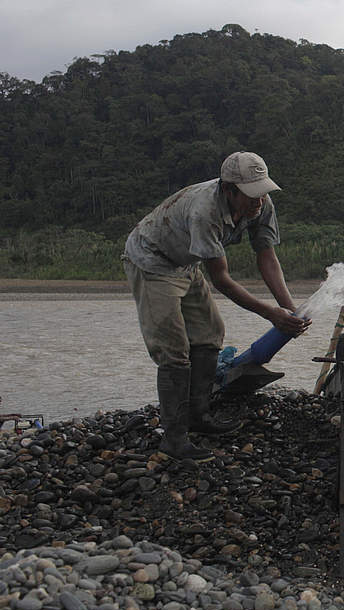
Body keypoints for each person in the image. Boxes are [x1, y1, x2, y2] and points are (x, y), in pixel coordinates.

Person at [123, 151, 310, 460]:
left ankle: (199, 416)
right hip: (153, 260)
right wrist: (272, 315)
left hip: (186, 262)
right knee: (174, 350)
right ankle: (174, 438)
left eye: (262, 192)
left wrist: (290, 311)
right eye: (250, 195)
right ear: (228, 190)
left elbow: (266, 256)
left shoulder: (260, 202)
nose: (258, 201)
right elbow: (221, 279)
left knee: (210, 334)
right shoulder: (205, 210)